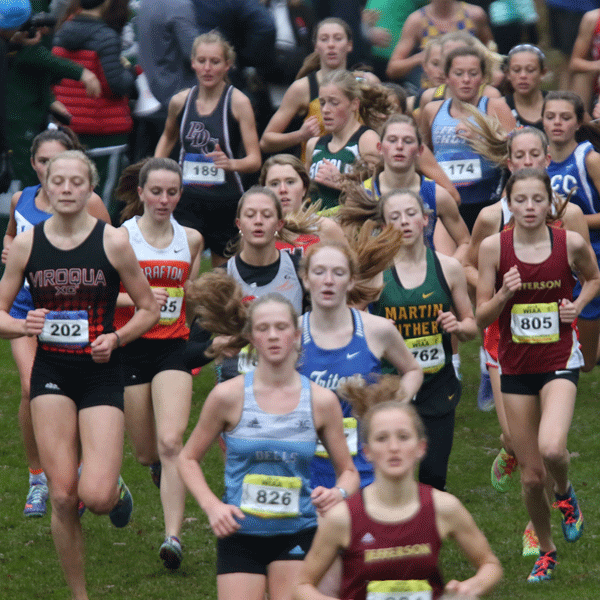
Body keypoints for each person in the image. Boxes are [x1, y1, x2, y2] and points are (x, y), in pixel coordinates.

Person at [0, 150, 159, 600]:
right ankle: (79, 595)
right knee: (63, 496)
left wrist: (118, 338)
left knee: (97, 496)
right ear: (45, 188)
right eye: (58, 181)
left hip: (100, 373)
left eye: (76, 182)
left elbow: (149, 308)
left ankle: (113, 490)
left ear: (91, 189)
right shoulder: (27, 245)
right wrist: (22, 326)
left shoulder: (113, 242)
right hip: (51, 372)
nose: (67, 189)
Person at [178, 292, 360, 600]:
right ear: (251, 337)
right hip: (240, 533)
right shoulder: (228, 396)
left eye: (281, 327)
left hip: (297, 532)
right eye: (263, 328)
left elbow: (349, 472)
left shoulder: (321, 401)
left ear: (297, 335)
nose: (273, 335)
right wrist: (212, 506)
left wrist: (337, 493)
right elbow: (187, 458)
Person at [464, 126, 592, 558]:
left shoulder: (569, 224)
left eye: (535, 155)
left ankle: (554, 510)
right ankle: (514, 459)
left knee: (550, 448)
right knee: (520, 453)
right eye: (519, 156)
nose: (527, 162)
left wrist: (576, 305)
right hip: (508, 347)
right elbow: (475, 283)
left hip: (556, 349)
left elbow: (589, 273)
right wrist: (502, 293)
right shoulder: (491, 229)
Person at [295, 376, 503, 600]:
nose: (394, 447)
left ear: (421, 447)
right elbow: (302, 585)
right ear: (367, 451)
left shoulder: (443, 507)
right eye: (382, 438)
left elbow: (490, 564)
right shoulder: (343, 517)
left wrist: (471, 588)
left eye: (403, 437)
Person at [1, 128, 110, 519]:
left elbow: (111, 250)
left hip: (75, 311)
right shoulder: (22, 199)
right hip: (26, 311)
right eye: (44, 162)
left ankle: (77, 473)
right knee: (30, 387)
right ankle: (38, 478)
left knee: (72, 393)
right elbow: (11, 236)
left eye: (59, 161)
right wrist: (9, 249)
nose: (51, 169)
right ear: (33, 164)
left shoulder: (89, 202)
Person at [114, 157, 202, 570]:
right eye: (156, 192)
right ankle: (152, 468)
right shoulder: (120, 238)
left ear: (180, 194)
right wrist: (140, 300)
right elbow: (101, 294)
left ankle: (173, 538)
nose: (163, 200)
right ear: (141, 193)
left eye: (171, 192)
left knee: (171, 442)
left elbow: (189, 292)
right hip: (131, 346)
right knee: (146, 451)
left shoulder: (191, 239)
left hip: (172, 348)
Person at [370, 189, 477, 491]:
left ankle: (427, 522)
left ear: (425, 220)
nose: (404, 222)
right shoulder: (375, 272)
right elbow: (354, 325)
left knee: (433, 477)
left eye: (411, 214)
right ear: (384, 226)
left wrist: (458, 326)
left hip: (438, 385)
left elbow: (471, 327)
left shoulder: (448, 268)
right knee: (390, 476)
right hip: (391, 387)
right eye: (395, 217)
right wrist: (376, 327)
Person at [298, 241, 423, 493]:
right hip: (307, 472)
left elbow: (413, 370)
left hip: (366, 470)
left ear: (351, 281)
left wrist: (394, 405)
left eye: (339, 273)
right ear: (306, 280)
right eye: (319, 272)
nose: (329, 281)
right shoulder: (291, 333)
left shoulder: (377, 329)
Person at [155, 31, 261, 268]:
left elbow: (255, 160)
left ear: (227, 65)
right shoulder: (180, 101)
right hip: (187, 200)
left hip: (226, 201)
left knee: (223, 274)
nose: (207, 68)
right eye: (202, 61)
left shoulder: (239, 103)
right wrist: (156, 171)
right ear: (192, 63)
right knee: (183, 269)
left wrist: (230, 164)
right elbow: (168, 137)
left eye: (215, 62)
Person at [343, 114, 470, 261]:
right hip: (379, 273)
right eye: (392, 140)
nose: (399, 146)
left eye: (408, 141)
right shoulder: (362, 194)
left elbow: (466, 242)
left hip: (424, 272)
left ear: (420, 150)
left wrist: (445, 269)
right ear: (380, 148)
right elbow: (346, 245)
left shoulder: (436, 195)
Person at [52, 0, 137, 208]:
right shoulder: (106, 36)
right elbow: (115, 86)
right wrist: (130, 71)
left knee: (67, 197)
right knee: (102, 199)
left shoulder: (61, 31)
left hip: (67, 128)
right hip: (105, 132)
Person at [421, 46, 516, 232]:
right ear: (447, 77)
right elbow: (425, 154)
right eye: (458, 73)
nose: (466, 80)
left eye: (473, 73)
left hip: (487, 201)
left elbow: (516, 156)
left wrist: (482, 138)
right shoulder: (432, 110)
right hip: (445, 203)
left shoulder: (496, 107)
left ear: (483, 78)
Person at [543, 90, 600, 371]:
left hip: (593, 251)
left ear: (578, 123)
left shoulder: (589, 159)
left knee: (586, 362)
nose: (557, 122)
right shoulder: (537, 160)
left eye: (565, 117)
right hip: (553, 254)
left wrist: (569, 222)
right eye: (550, 116)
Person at [259, 17, 353, 161]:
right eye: (324, 39)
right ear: (315, 46)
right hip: (314, 171)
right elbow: (266, 142)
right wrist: (300, 135)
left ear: (349, 45)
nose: (331, 45)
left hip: (355, 171)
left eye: (338, 38)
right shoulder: (302, 88)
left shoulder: (364, 83)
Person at [305, 70, 387, 211]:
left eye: (334, 103)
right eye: (322, 103)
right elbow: (303, 192)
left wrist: (342, 183)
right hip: (315, 222)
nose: (325, 110)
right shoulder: (313, 145)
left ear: (354, 104)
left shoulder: (367, 140)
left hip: (351, 221)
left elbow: (382, 192)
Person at [386, 0, 494, 84]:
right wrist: (420, 58)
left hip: (469, 85)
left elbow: (492, 52)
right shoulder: (417, 20)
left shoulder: (474, 14)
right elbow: (392, 69)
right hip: (433, 90)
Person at [259, 153, 346, 252]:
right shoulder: (257, 231)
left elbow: (349, 261)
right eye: (274, 184)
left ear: (304, 188)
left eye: (290, 182)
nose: (283, 189)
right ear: (264, 191)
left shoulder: (326, 228)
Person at [504, 44, 547, 130]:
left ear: (542, 73)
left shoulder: (556, 103)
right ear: (508, 74)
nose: (523, 76)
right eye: (516, 70)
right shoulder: (500, 106)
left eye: (530, 70)